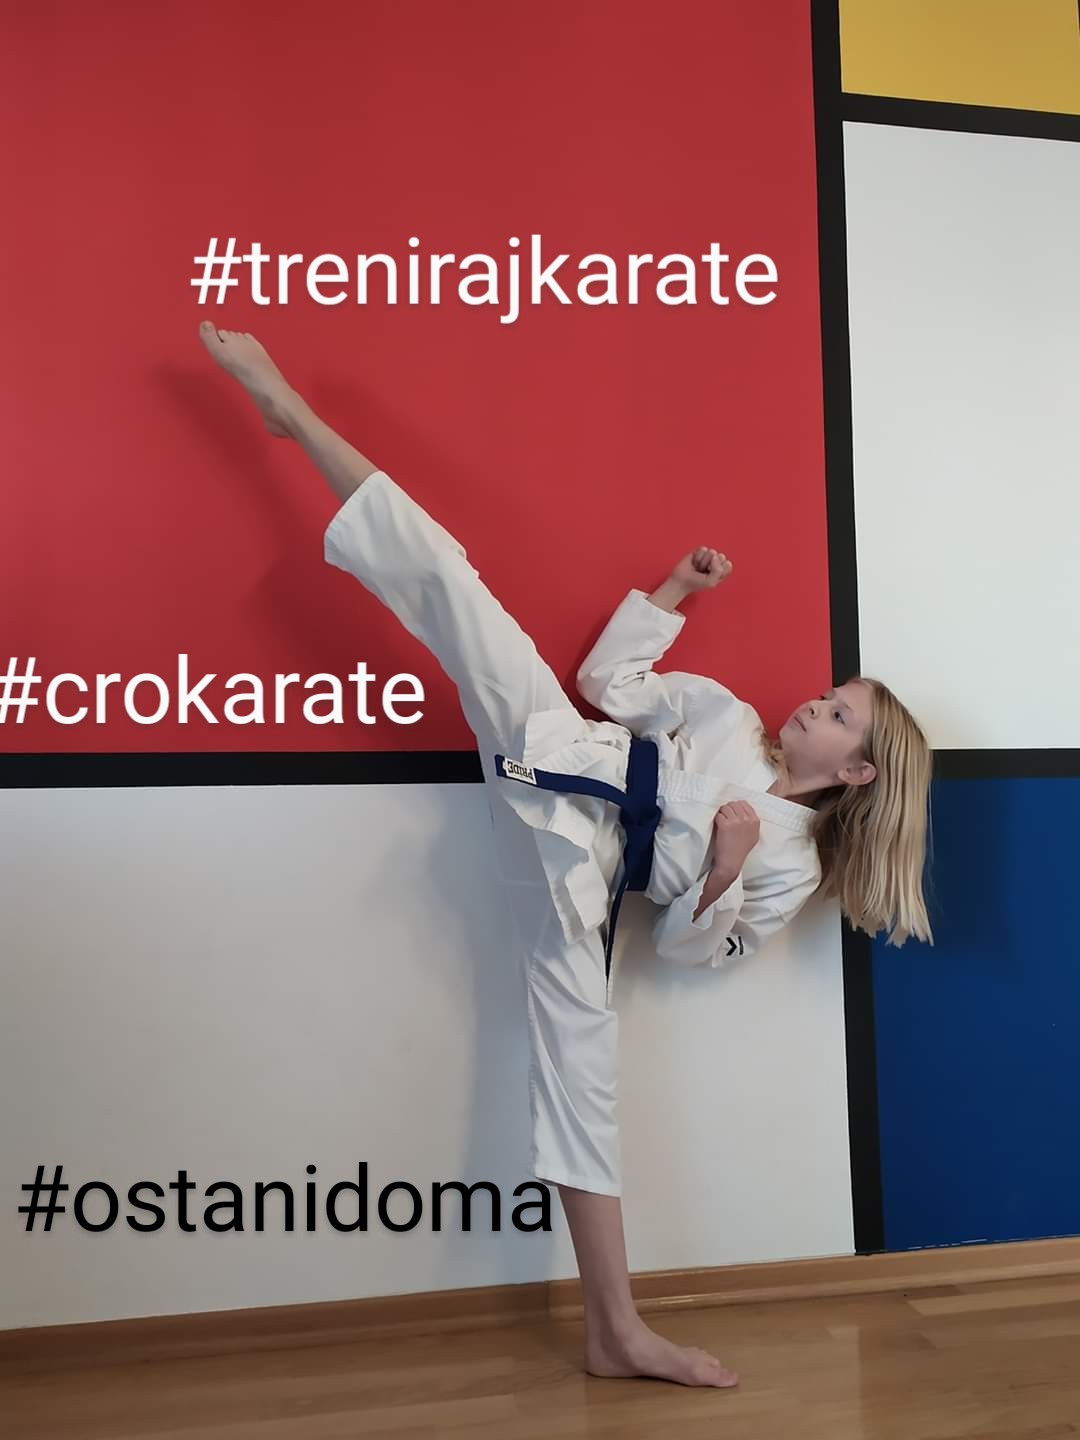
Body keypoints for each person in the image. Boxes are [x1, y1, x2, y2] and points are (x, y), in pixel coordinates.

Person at [197, 320, 934, 1389]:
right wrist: (673, 590)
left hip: (580, 885)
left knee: (584, 1084)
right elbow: (607, 686)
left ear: (857, 772)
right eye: (828, 694)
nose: (815, 704)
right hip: (558, 751)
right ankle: (294, 417)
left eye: (836, 714)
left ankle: (614, 1331)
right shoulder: (727, 719)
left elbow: (689, 953)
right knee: (451, 584)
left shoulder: (794, 864)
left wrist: (725, 869)